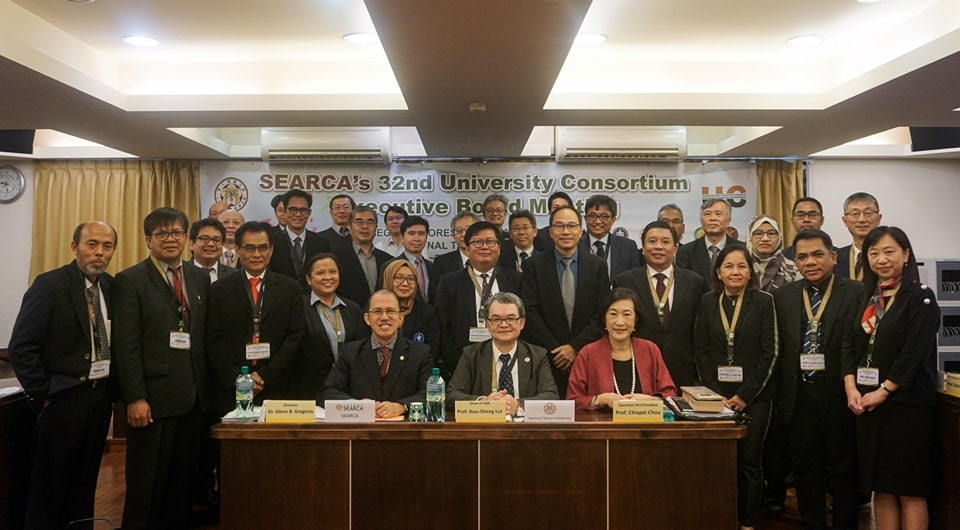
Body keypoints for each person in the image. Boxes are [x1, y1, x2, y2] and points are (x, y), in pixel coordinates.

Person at [8, 221, 118, 529]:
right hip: (62, 399)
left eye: (107, 246)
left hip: (98, 398)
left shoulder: (111, 286)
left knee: (84, 482)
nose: (99, 252)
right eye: (92, 244)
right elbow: (22, 347)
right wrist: (45, 394)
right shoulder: (49, 285)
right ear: (75, 247)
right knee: (49, 486)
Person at [113, 208, 212, 530]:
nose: (170, 239)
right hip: (152, 401)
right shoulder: (130, 280)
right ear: (148, 240)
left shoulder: (197, 277)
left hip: (193, 398)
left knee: (182, 484)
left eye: (176, 233)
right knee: (147, 484)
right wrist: (135, 397)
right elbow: (126, 345)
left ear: (186, 238)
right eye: (162, 234)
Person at [843, 226, 939, 530]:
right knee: (880, 488)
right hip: (868, 406)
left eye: (889, 251)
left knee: (909, 490)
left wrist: (884, 390)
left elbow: (914, 353)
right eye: (874, 253)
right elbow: (849, 345)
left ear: (906, 254)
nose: (881, 259)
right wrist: (850, 389)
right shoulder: (867, 297)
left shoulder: (920, 298)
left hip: (906, 406)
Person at [774, 229, 863, 530]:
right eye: (802, 257)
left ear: (833, 257)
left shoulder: (856, 292)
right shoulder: (782, 295)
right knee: (804, 465)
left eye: (817, 254)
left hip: (840, 392)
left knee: (843, 467)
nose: (809, 262)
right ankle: (812, 523)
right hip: (799, 394)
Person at [693, 244, 777, 530]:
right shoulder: (707, 301)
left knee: (750, 463)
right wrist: (716, 395)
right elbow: (700, 350)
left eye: (742, 266)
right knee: (718, 461)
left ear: (750, 271)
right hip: (715, 399)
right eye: (728, 266)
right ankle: (718, 515)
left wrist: (744, 395)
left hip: (755, 397)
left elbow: (770, 353)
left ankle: (748, 521)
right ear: (718, 272)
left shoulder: (764, 301)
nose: (735, 272)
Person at [206, 220, 306, 409]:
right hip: (232, 388)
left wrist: (266, 375)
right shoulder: (220, 289)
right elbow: (213, 338)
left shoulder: (290, 288)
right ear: (237, 249)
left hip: (278, 385)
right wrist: (239, 378)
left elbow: (295, 336)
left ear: (271, 250)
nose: (257, 255)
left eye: (263, 248)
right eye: (249, 248)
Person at [521, 205, 609, 398]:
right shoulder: (533, 265)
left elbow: (602, 313)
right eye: (559, 226)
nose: (566, 231)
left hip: (587, 355)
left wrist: (575, 347)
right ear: (550, 231)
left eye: (571, 226)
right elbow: (530, 311)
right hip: (546, 357)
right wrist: (557, 351)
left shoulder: (598, 266)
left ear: (581, 231)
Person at [613, 220, 705, 387]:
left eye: (665, 241)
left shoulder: (694, 282)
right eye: (652, 241)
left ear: (675, 248)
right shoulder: (625, 280)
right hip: (637, 367)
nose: (658, 247)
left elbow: (701, 330)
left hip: (683, 370)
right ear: (642, 248)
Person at [319, 290, 433, 419]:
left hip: (404, 432)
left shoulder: (420, 353)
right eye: (377, 311)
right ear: (367, 319)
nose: (384, 317)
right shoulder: (351, 352)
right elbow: (327, 392)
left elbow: (431, 394)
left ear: (401, 318)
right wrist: (357, 406)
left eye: (390, 311)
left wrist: (402, 406)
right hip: (360, 431)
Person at [435, 221, 523, 380]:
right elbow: (443, 327)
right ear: (467, 249)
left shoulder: (516, 280)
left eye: (490, 242)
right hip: (463, 364)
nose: (485, 247)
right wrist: (458, 364)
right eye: (477, 242)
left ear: (499, 248)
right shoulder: (449, 282)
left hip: (508, 362)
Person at [446, 292, 558, 413]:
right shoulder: (471, 354)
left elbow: (551, 396)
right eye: (496, 319)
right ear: (488, 324)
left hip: (524, 427)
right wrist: (483, 402)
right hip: (485, 425)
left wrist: (518, 405)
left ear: (522, 323)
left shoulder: (537, 355)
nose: (504, 324)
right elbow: (452, 396)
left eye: (510, 318)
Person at [567, 288, 677, 410]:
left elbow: (670, 395)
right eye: (613, 314)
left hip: (645, 424)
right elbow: (573, 400)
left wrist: (652, 400)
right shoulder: (588, 353)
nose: (620, 322)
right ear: (604, 319)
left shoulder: (650, 350)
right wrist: (599, 400)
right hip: (602, 426)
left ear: (636, 319)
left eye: (627, 315)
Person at [289, 253, 363, 399]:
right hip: (310, 389)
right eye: (320, 273)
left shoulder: (352, 308)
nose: (328, 277)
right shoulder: (298, 307)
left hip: (347, 389)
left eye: (333, 272)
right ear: (308, 279)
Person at [369, 259, 441, 359]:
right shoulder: (372, 311)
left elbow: (431, 354)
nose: (405, 284)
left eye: (411, 279)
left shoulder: (427, 313)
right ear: (389, 279)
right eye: (399, 278)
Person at [270, 189, 331, 292]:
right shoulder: (272, 241)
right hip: (281, 301)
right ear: (284, 211)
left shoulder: (321, 243)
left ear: (309, 212)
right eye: (293, 209)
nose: (298, 214)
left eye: (303, 210)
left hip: (313, 301)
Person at [333, 205, 392, 305]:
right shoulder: (336, 258)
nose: (365, 226)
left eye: (370, 222)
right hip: (349, 316)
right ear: (350, 227)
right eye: (359, 222)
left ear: (376, 228)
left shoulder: (388, 260)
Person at [676, 198, 741, 281]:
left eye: (718, 214)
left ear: (728, 221)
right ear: (701, 221)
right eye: (707, 214)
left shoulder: (741, 249)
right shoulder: (685, 252)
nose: (712, 218)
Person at [579, 194, 640, 281]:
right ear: (585, 219)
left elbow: (634, 280)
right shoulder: (576, 246)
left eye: (604, 216)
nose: (598, 221)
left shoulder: (628, 247)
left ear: (613, 220)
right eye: (592, 216)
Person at [381, 215, 436, 303]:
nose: (416, 239)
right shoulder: (390, 266)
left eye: (421, 234)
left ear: (426, 238)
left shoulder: (432, 267)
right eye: (411, 233)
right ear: (402, 237)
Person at [746, 214, 799, 293]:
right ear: (750, 237)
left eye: (771, 234)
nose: (765, 239)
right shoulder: (741, 267)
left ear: (779, 237)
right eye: (758, 233)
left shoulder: (792, 269)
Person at [836, 192, 882, 281]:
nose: (862, 219)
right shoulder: (835, 258)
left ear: (878, 218)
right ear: (845, 220)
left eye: (868, 213)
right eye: (855, 213)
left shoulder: (890, 258)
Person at [188, 218, 237, 283]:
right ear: (191, 244)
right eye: (204, 239)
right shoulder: (181, 273)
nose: (211, 244)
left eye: (216, 240)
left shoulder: (235, 276)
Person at [433, 210, 478, 277]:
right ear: (453, 236)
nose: (463, 234)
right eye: (459, 230)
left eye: (468, 229)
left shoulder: (490, 258)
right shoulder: (442, 263)